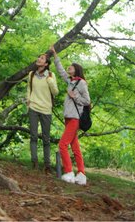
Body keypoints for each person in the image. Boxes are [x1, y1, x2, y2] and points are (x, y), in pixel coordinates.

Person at [49, 44, 90, 185]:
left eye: (71, 67)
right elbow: (60, 71)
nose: (69, 68)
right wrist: (55, 55)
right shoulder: (70, 81)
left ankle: (69, 172)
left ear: (76, 70)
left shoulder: (81, 83)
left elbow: (87, 101)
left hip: (75, 118)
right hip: (68, 117)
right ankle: (81, 174)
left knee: (62, 145)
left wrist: (74, 97)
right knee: (75, 147)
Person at [24, 51, 58, 172]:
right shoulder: (31, 74)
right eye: (39, 57)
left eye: (42, 58)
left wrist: (50, 81)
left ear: (46, 63)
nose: (39, 59)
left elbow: (55, 92)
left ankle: (47, 165)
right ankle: (34, 162)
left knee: (46, 138)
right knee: (33, 136)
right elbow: (29, 88)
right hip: (33, 107)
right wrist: (28, 100)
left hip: (46, 109)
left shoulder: (51, 75)